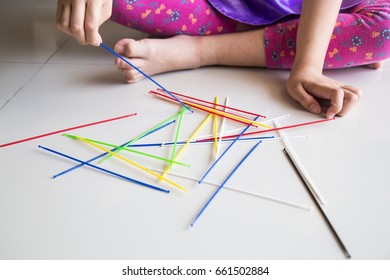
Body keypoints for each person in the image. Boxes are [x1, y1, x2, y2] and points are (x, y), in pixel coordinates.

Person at [56, 0, 390, 118]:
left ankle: (201, 48)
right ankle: (281, 39)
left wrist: (309, 65)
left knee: (386, 27)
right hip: (222, 6)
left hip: (329, 7)